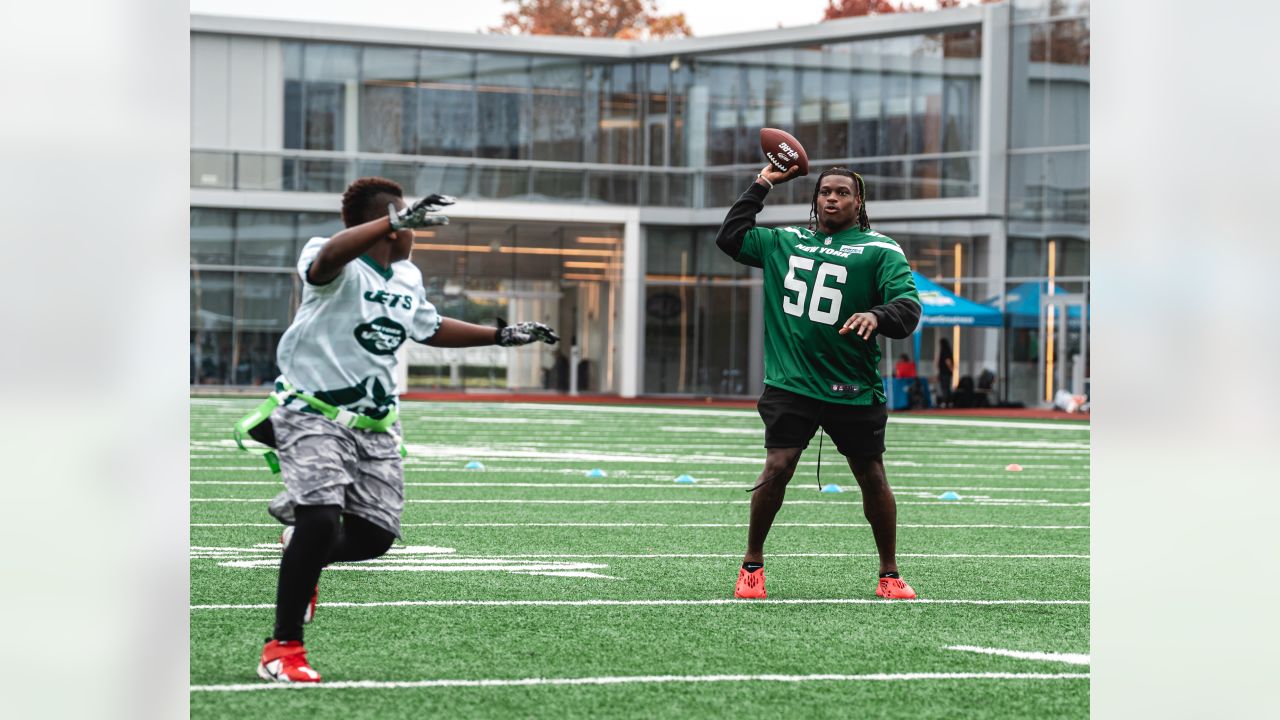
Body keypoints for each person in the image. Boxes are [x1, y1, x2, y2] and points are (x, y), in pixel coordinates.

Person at [245, 177, 559, 683]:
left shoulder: (407, 276)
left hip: (375, 422)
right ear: (392, 224)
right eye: (405, 219)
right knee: (321, 519)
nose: (415, 228)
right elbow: (326, 260)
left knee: (374, 537)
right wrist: (392, 219)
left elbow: (429, 327)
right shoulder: (332, 259)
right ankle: (282, 648)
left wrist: (501, 335)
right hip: (313, 411)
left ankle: (300, 548)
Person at [715, 163, 923, 602]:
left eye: (842, 192)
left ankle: (889, 572)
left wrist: (877, 314)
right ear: (815, 199)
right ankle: (752, 564)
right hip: (792, 381)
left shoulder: (880, 249)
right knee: (777, 466)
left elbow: (908, 308)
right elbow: (730, 237)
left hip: (853, 385)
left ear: (858, 201)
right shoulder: (785, 241)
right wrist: (763, 182)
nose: (832, 198)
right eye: (825, 191)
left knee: (871, 474)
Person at [936, 338, 955, 408]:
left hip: (944, 373)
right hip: (947, 373)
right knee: (947, 387)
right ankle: (950, 402)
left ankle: (945, 402)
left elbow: (948, 361)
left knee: (945, 388)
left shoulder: (944, 351)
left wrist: (951, 369)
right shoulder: (948, 351)